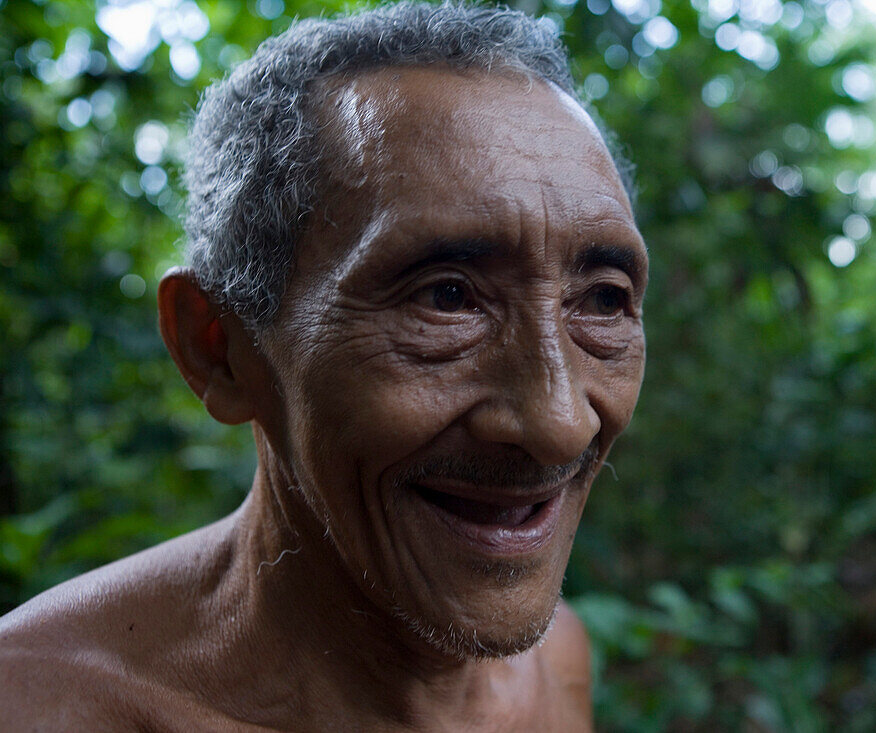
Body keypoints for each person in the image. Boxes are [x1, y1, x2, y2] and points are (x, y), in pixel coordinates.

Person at [0, 2, 647, 729]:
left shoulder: (556, 664)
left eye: (602, 300)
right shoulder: (36, 706)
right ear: (218, 346)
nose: (559, 424)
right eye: (448, 299)